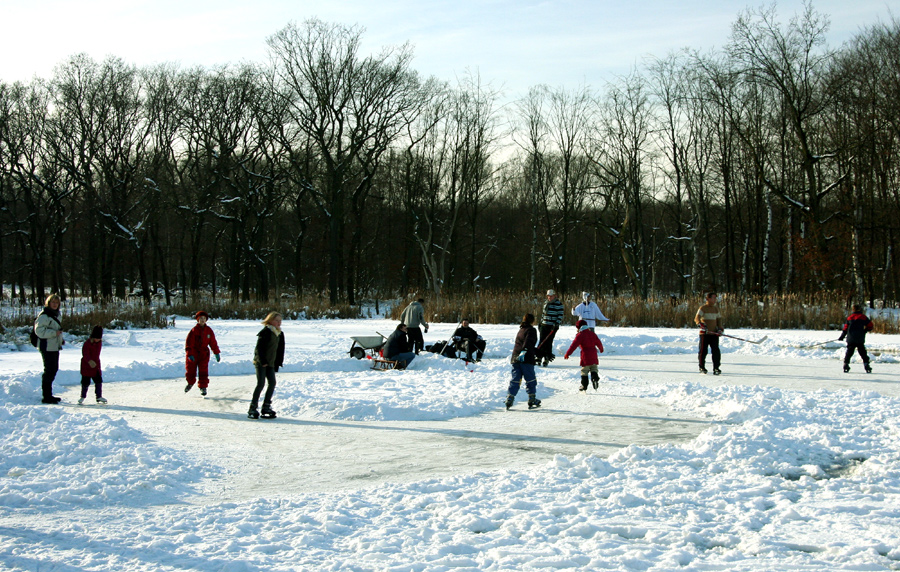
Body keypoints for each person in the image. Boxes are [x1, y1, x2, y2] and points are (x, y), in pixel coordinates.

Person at [249, 312, 285, 419]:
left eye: (280, 321)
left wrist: (277, 362)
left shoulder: (279, 333)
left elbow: (280, 350)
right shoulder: (266, 332)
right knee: (261, 383)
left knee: (272, 383)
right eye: (276, 320)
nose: (279, 323)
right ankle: (252, 407)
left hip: (271, 363)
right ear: (270, 321)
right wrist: (262, 361)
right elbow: (259, 349)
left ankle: (266, 406)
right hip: (261, 363)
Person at [505, 313, 542, 410]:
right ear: (532, 321)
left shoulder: (521, 330)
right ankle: (532, 398)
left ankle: (510, 398)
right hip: (525, 358)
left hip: (515, 357)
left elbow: (523, 344)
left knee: (516, 378)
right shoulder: (531, 330)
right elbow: (528, 343)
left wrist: (538, 351)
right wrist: (525, 352)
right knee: (530, 379)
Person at [34, 293, 64, 404]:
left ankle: (48, 394)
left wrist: (60, 339)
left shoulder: (56, 314)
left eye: (57, 303)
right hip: (46, 346)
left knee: (53, 369)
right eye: (53, 302)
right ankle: (46, 396)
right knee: (49, 370)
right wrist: (54, 333)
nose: (55, 304)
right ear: (48, 303)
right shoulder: (44, 316)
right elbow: (39, 331)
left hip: (54, 346)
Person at [184, 310, 221, 396]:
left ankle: (203, 387)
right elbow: (189, 343)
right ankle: (190, 383)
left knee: (203, 371)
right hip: (194, 353)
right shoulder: (194, 331)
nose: (202, 320)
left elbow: (213, 342)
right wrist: (189, 354)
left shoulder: (209, 330)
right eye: (201, 318)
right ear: (198, 320)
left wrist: (216, 352)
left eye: (204, 318)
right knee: (190, 370)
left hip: (204, 354)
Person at [564, 320, 605, 391]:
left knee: (584, 371)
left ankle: (584, 385)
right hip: (594, 355)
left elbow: (573, 345)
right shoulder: (592, 334)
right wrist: (601, 349)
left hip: (585, 355)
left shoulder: (580, 335)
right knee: (594, 368)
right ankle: (595, 379)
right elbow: (599, 342)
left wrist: (568, 353)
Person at [839, 304, 874, 373]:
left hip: (851, 338)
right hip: (860, 338)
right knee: (863, 352)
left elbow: (845, 328)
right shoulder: (863, 317)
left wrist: (842, 336)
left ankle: (846, 364)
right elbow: (870, 325)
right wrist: (865, 330)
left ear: (853, 310)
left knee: (849, 352)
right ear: (860, 309)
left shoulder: (850, 317)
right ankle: (866, 365)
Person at [694, 292, 723, 375]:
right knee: (703, 351)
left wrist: (720, 329)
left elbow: (719, 320)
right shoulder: (703, 308)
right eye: (713, 298)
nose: (715, 300)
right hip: (704, 334)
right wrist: (700, 324)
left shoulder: (716, 309)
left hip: (714, 333)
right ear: (708, 299)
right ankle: (702, 367)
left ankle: (716, 368)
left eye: (715, 298)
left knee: (716, 351)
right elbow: (697, 318)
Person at [79, 326, 107, 405]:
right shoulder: (87, 343)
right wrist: (89, 361)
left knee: (98, 381)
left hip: (96, 366)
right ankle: (82, 396)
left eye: (99, 338)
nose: (97, 340)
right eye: (96, 338)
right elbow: (85, 354)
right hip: (86, 365)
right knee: (85, 382)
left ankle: (99, 396)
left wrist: (96, 363)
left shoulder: (99, 343)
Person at [536, 289, 565, 367]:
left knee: (548, 341)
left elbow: (560, 315)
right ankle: (539, 357)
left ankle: (547, 358)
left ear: (555, 296)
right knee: (542, 341)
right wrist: (541, 322)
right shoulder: (546, 303)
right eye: (548, 296)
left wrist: (556, 324)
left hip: (552, 326)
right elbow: (543, 314)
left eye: (551, 296)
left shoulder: (558, 304)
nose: (549, 297)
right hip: (544, 324)